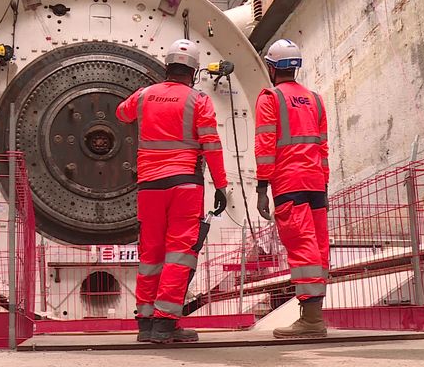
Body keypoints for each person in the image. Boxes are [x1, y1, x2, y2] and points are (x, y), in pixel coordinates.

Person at [116, 39, 228, 344]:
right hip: (184, 185)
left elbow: (121, 114)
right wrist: (221, 185)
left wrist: (150, 103)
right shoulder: (198, 100)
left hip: (149, 186)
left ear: (167, 67)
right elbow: (211, 145)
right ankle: (165, 325)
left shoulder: (144, 95)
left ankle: (146, 324)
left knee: (150, 254)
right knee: (179, 254)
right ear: (193, 72)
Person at [254, 39, 330, 338]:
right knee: (319, 245)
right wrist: (323, 179)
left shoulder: (270, 98)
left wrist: (262, 186)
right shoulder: (315, 99)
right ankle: (315, 314)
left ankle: (311, 320)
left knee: (301, 245)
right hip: (315, 182)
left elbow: (265, 145)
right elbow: (322, 145)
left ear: (272, 67)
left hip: (289, 181)